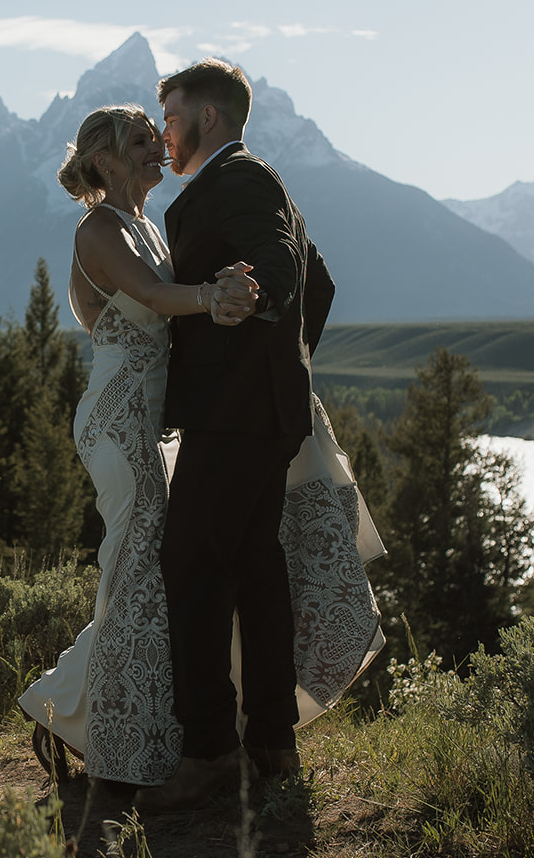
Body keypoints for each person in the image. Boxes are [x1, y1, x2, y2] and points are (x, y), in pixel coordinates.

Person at [19, 97, 384, 800]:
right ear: (102, 159)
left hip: (157, 422)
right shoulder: (98, 229)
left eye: (158, 134)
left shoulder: (145, 223)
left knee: (154, 575)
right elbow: (154, 297)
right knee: (134, 568)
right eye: (139, 139)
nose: (158, 145)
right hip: (120, 419)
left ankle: (106, 721)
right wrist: (214, 296)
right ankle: (90, 726)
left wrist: (265, 357)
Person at [144, 58, 340, 811]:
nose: (164, 136)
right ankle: (271, 742)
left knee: (190, 561)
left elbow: (287, 269)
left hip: (233, 416)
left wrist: (252, 301)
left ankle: (207, 753)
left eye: (171, 118)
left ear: (210, 119)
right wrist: (283, 366)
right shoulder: (258, 180)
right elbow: (319, 283)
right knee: (254, 565)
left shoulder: (239, 182)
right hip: (262, 410)